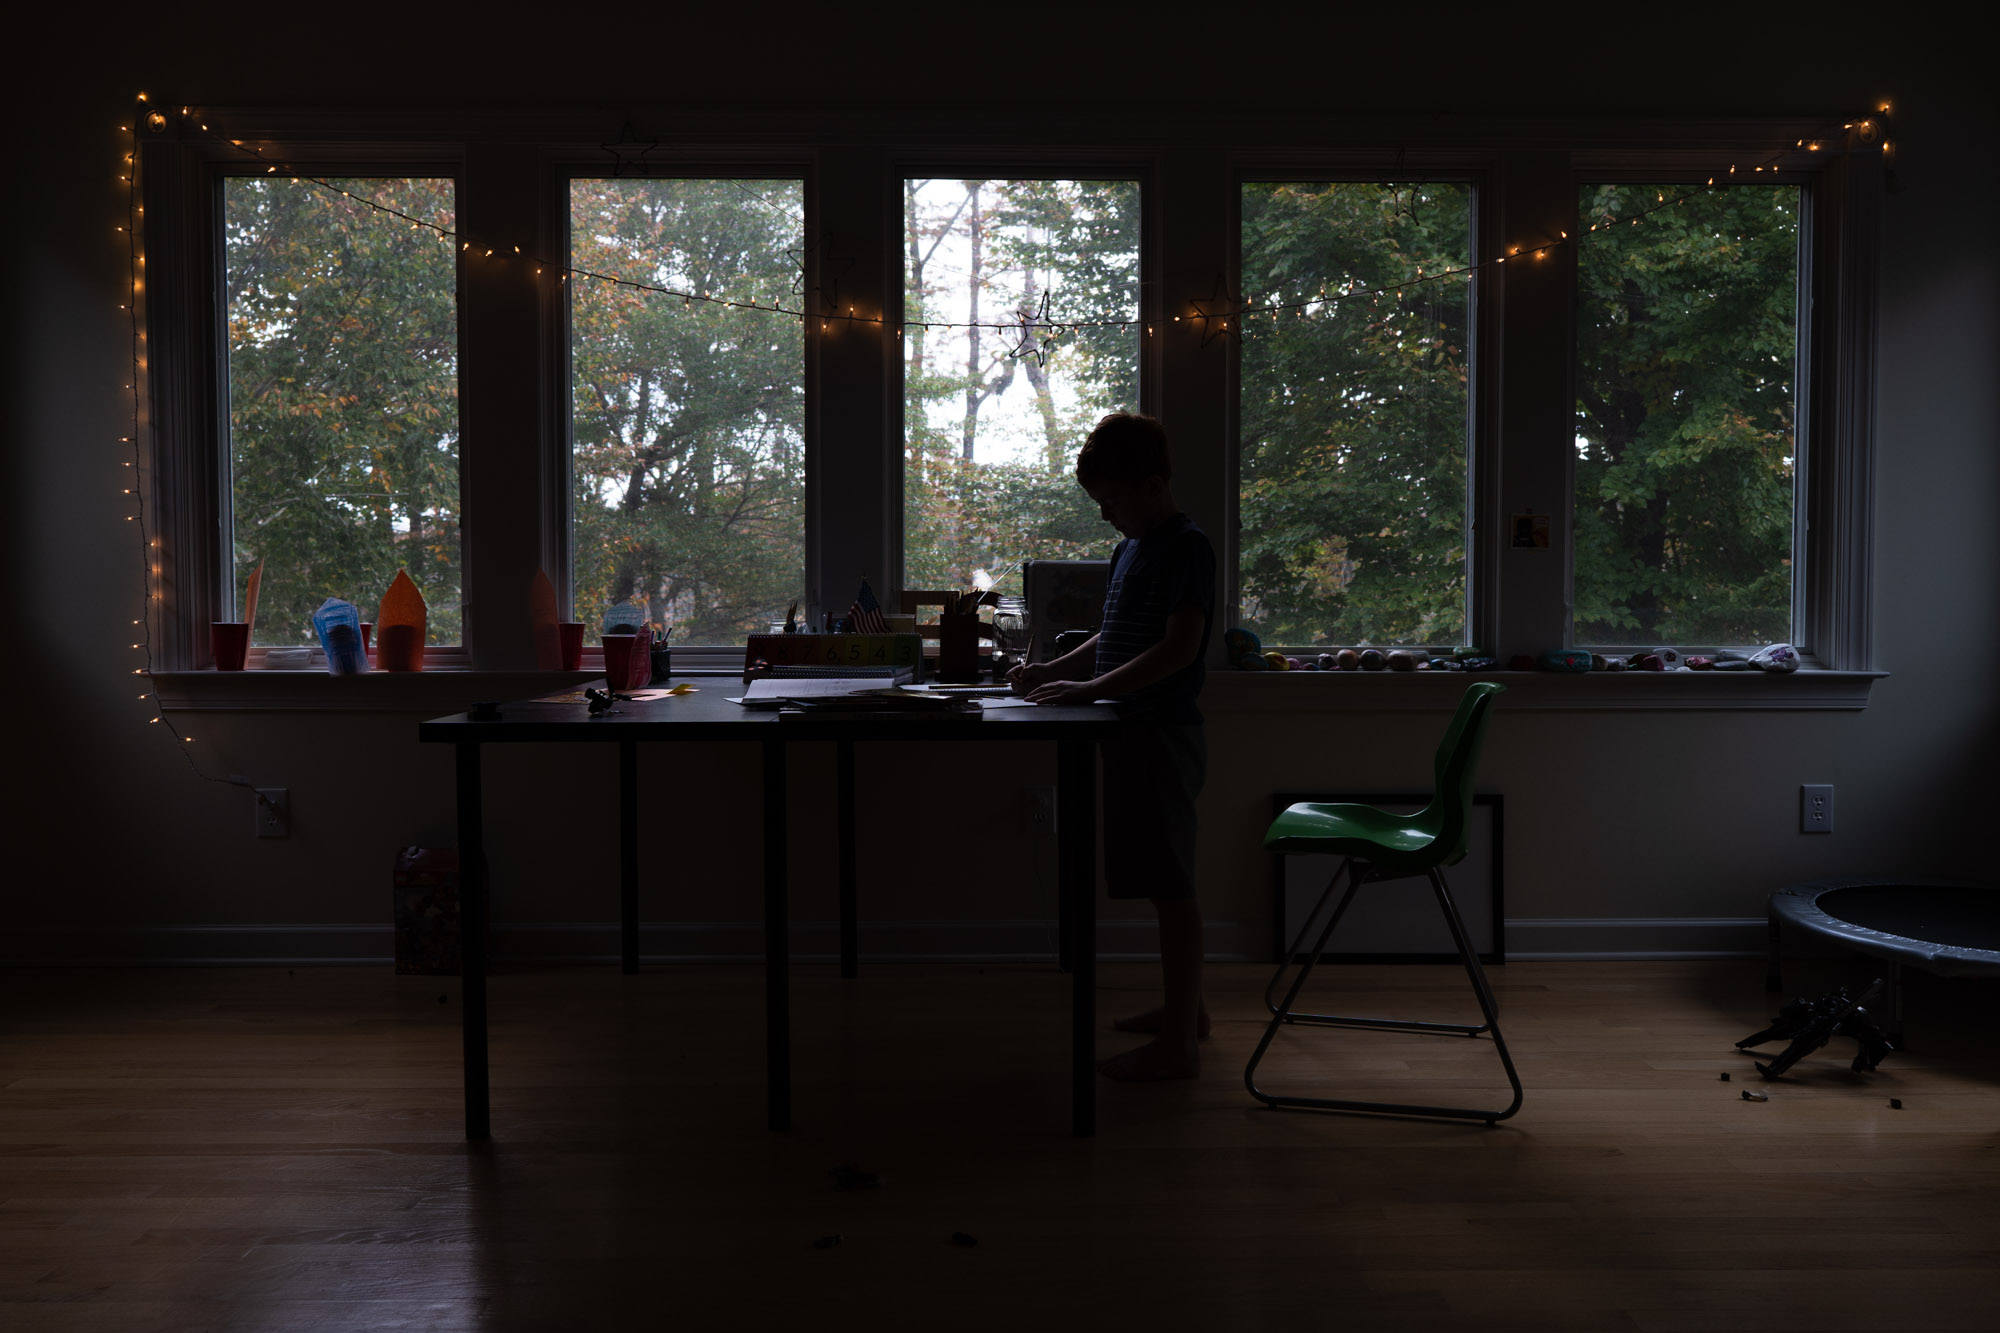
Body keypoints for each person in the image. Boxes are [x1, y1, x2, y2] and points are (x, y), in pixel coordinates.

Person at [1008, 411, 1215, 1081]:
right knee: (1159, 880)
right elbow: (1116, 632)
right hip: (1125, 728)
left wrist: (1087, 690)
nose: (1107, 517)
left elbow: (1177, 649)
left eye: (1113, 502)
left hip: (1162, 735)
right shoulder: (1130, 550)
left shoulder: (1189, 549)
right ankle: (1191, 1013)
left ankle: (1179, 1042)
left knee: (1173, 886)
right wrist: (1055, 673)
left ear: (1153, 485)